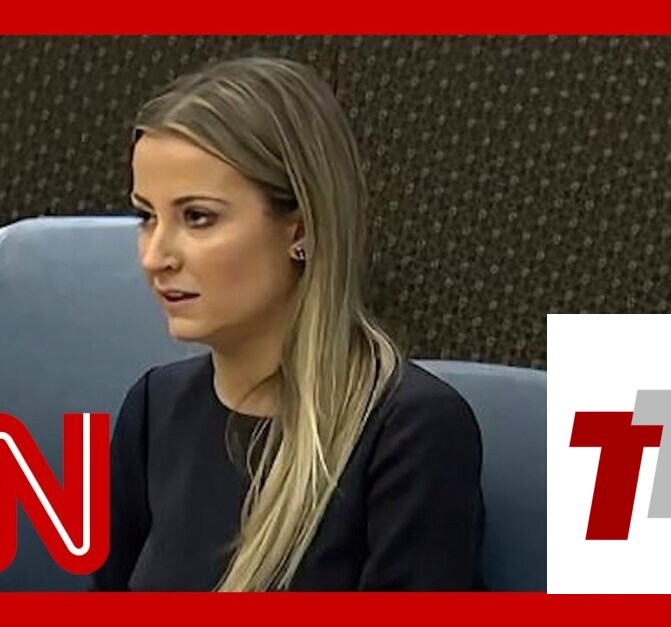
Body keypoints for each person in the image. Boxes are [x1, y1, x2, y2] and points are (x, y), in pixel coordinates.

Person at [92, 56, 484, 592]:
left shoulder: (412, 431)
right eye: (146, 216)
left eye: (198, 217)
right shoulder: (152, 408)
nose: (155, 256)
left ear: (300, 230)